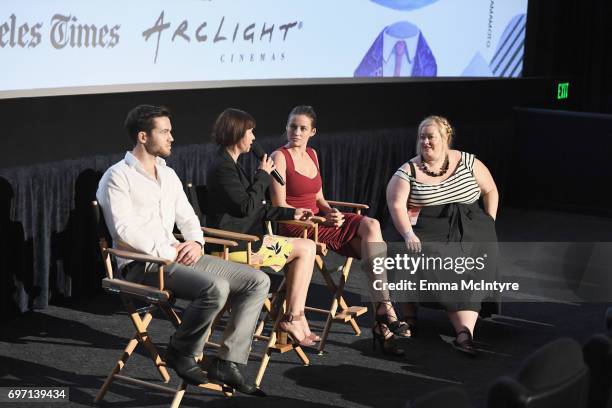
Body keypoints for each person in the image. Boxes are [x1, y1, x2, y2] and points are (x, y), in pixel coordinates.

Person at [96, 105, 268, 396]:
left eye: (170, 131)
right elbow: (123, 232)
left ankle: (228, 361)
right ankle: (181, 349)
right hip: (143, 265)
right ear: (142, 136)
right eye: (164, 132)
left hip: (176, 257)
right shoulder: (117, 177)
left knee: (257, 280)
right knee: (216, 287)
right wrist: (170, 249)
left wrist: (196, 242)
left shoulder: (169, 174)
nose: (171, 137)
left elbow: (188, 218)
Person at [269, 105, 411, 356]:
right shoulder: (280, 157)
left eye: (303, 128)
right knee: (370, 250)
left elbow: (320, 198)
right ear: (287, 128)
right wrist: (320, 220)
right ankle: (384, 318)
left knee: (372, 228)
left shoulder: (312, 154)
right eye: (293, 127)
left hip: (318, 221)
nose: (297, 132)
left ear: (313, 131)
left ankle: (383, 310)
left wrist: (330, 212)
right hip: (297, 226)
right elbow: (280, 206)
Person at [386, 115, 499, 355]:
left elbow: (490, 190)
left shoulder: (467, 161)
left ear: (445, 138)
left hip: (470, 226)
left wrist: (489, 223)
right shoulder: (408, 170)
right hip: (428, 227)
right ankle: (414, 318)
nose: (425, 142)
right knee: (429, 260)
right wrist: (408, 234)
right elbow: (396, 205)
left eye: (430, 137)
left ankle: (464, 332)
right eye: (421, 137)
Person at [205, 108, 319, 347]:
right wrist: (263, 176)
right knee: (306, 249)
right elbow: (246, 208)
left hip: (248, 243)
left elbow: (256, 208)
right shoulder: (222, 167)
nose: (254, 138)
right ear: (237, 133)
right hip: (237, 247)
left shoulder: (231, 165)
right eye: (250, 132)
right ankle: (293, 318)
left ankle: (294, 316)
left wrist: (292, 213)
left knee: (307, 247)